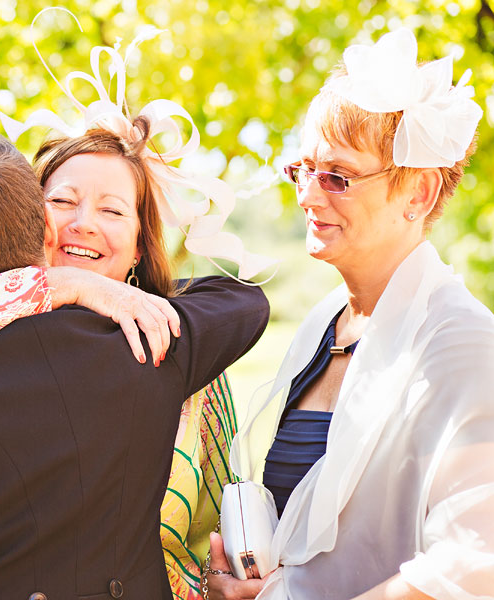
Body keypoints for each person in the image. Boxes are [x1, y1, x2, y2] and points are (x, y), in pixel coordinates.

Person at [0, 33, 276, 598]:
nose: (84, 223)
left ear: (138, 245)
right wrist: (66, 284)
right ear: (28, 219)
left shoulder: (168, 337)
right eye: (62, 202)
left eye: (112, 210)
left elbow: (245, 299)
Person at [206, 29, 493, 600]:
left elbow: (474, 562)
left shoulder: (464, 345)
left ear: (419, 194)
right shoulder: (322, 326)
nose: (309, 197)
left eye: (338, 176)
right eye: (302, 171)